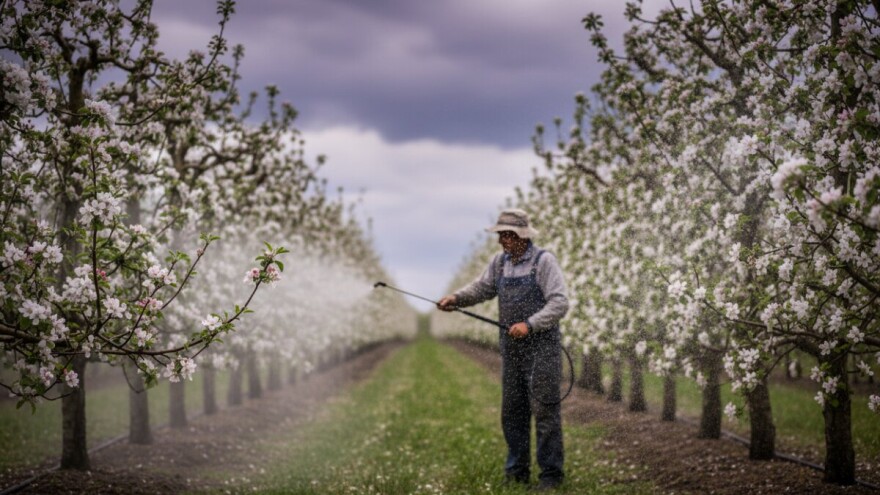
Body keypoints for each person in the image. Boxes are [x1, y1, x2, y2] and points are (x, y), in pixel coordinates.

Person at [438, 208, 569, 491]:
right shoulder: (500, 263)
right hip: (512, 350)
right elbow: (482, 288)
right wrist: (456, 298)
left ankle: (551, 476)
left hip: (542, 348)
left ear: (520, 236)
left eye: (506, 236)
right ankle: (517, 472)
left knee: (544, 412)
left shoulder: (544, 262)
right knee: (513, 411)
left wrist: (530, 324)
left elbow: (559, 303)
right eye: (500, 235)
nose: (501, 241)